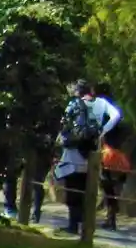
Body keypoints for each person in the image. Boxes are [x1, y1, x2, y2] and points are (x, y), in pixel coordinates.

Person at [52, 81, 118, 234]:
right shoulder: (101, 103)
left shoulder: (74, 104)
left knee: (72, 190)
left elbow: (65, 126)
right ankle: (85, 227)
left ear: (77, 91)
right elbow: (116, 115)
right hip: (91, 152)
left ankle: (73, 226)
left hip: (74, 152)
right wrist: (103, 131)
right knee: (85, 190)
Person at [95, 82, 129, 231]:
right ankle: (111, 217)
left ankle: (111, 218)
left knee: (108, 188)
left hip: (107, 155)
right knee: (113, 190)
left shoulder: (102, 112)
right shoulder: (117, 111)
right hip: (118, 155)